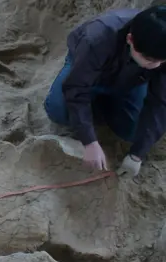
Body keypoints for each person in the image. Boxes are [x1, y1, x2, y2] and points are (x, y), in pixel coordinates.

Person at [43, 5, 166, 178]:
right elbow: (76, 87)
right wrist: (90, 142)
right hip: (90, 71)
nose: (157, 66)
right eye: (149, 59)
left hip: (132, 81)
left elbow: (160, 102)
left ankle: (102, 105)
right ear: (130, 39)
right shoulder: (99, 37)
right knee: (58, 110)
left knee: (133, 132)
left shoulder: (160, 54)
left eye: (162, 61)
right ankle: (94, 104)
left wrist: (137, 155)